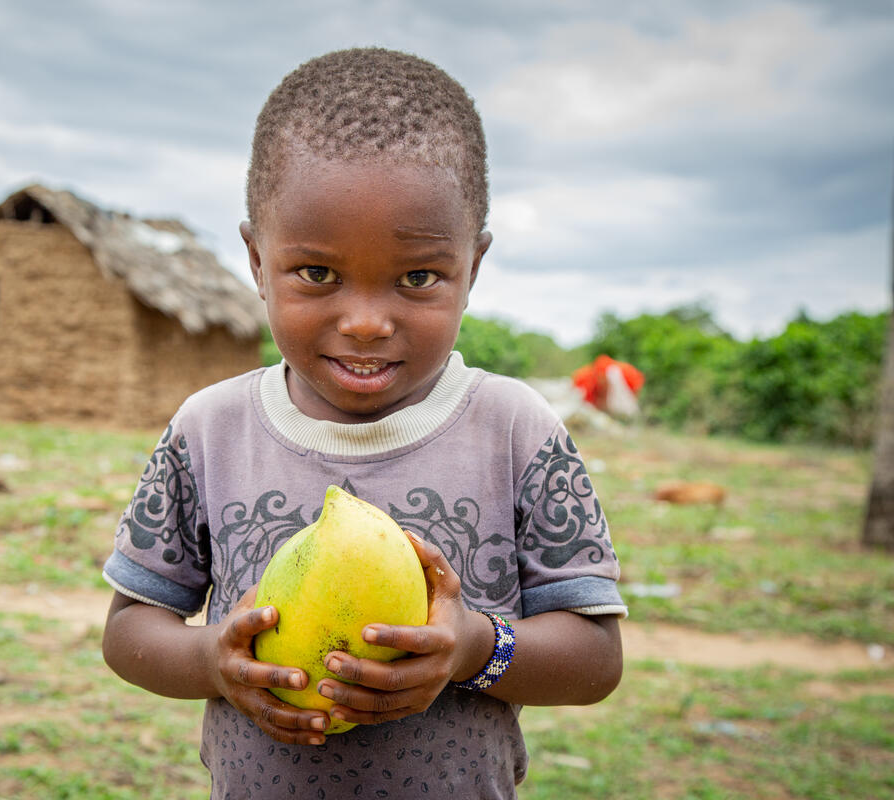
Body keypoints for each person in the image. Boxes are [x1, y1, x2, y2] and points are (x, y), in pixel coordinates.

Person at [101, 47, 626, 799]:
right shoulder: (209, 431)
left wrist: (475, 647)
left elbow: (596, 660)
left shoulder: (517, 430)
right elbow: (129, 632)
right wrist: (212, 659)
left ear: (471, 269)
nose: (367, 323)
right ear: (256, 260)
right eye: (317, 274)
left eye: (417, 277)